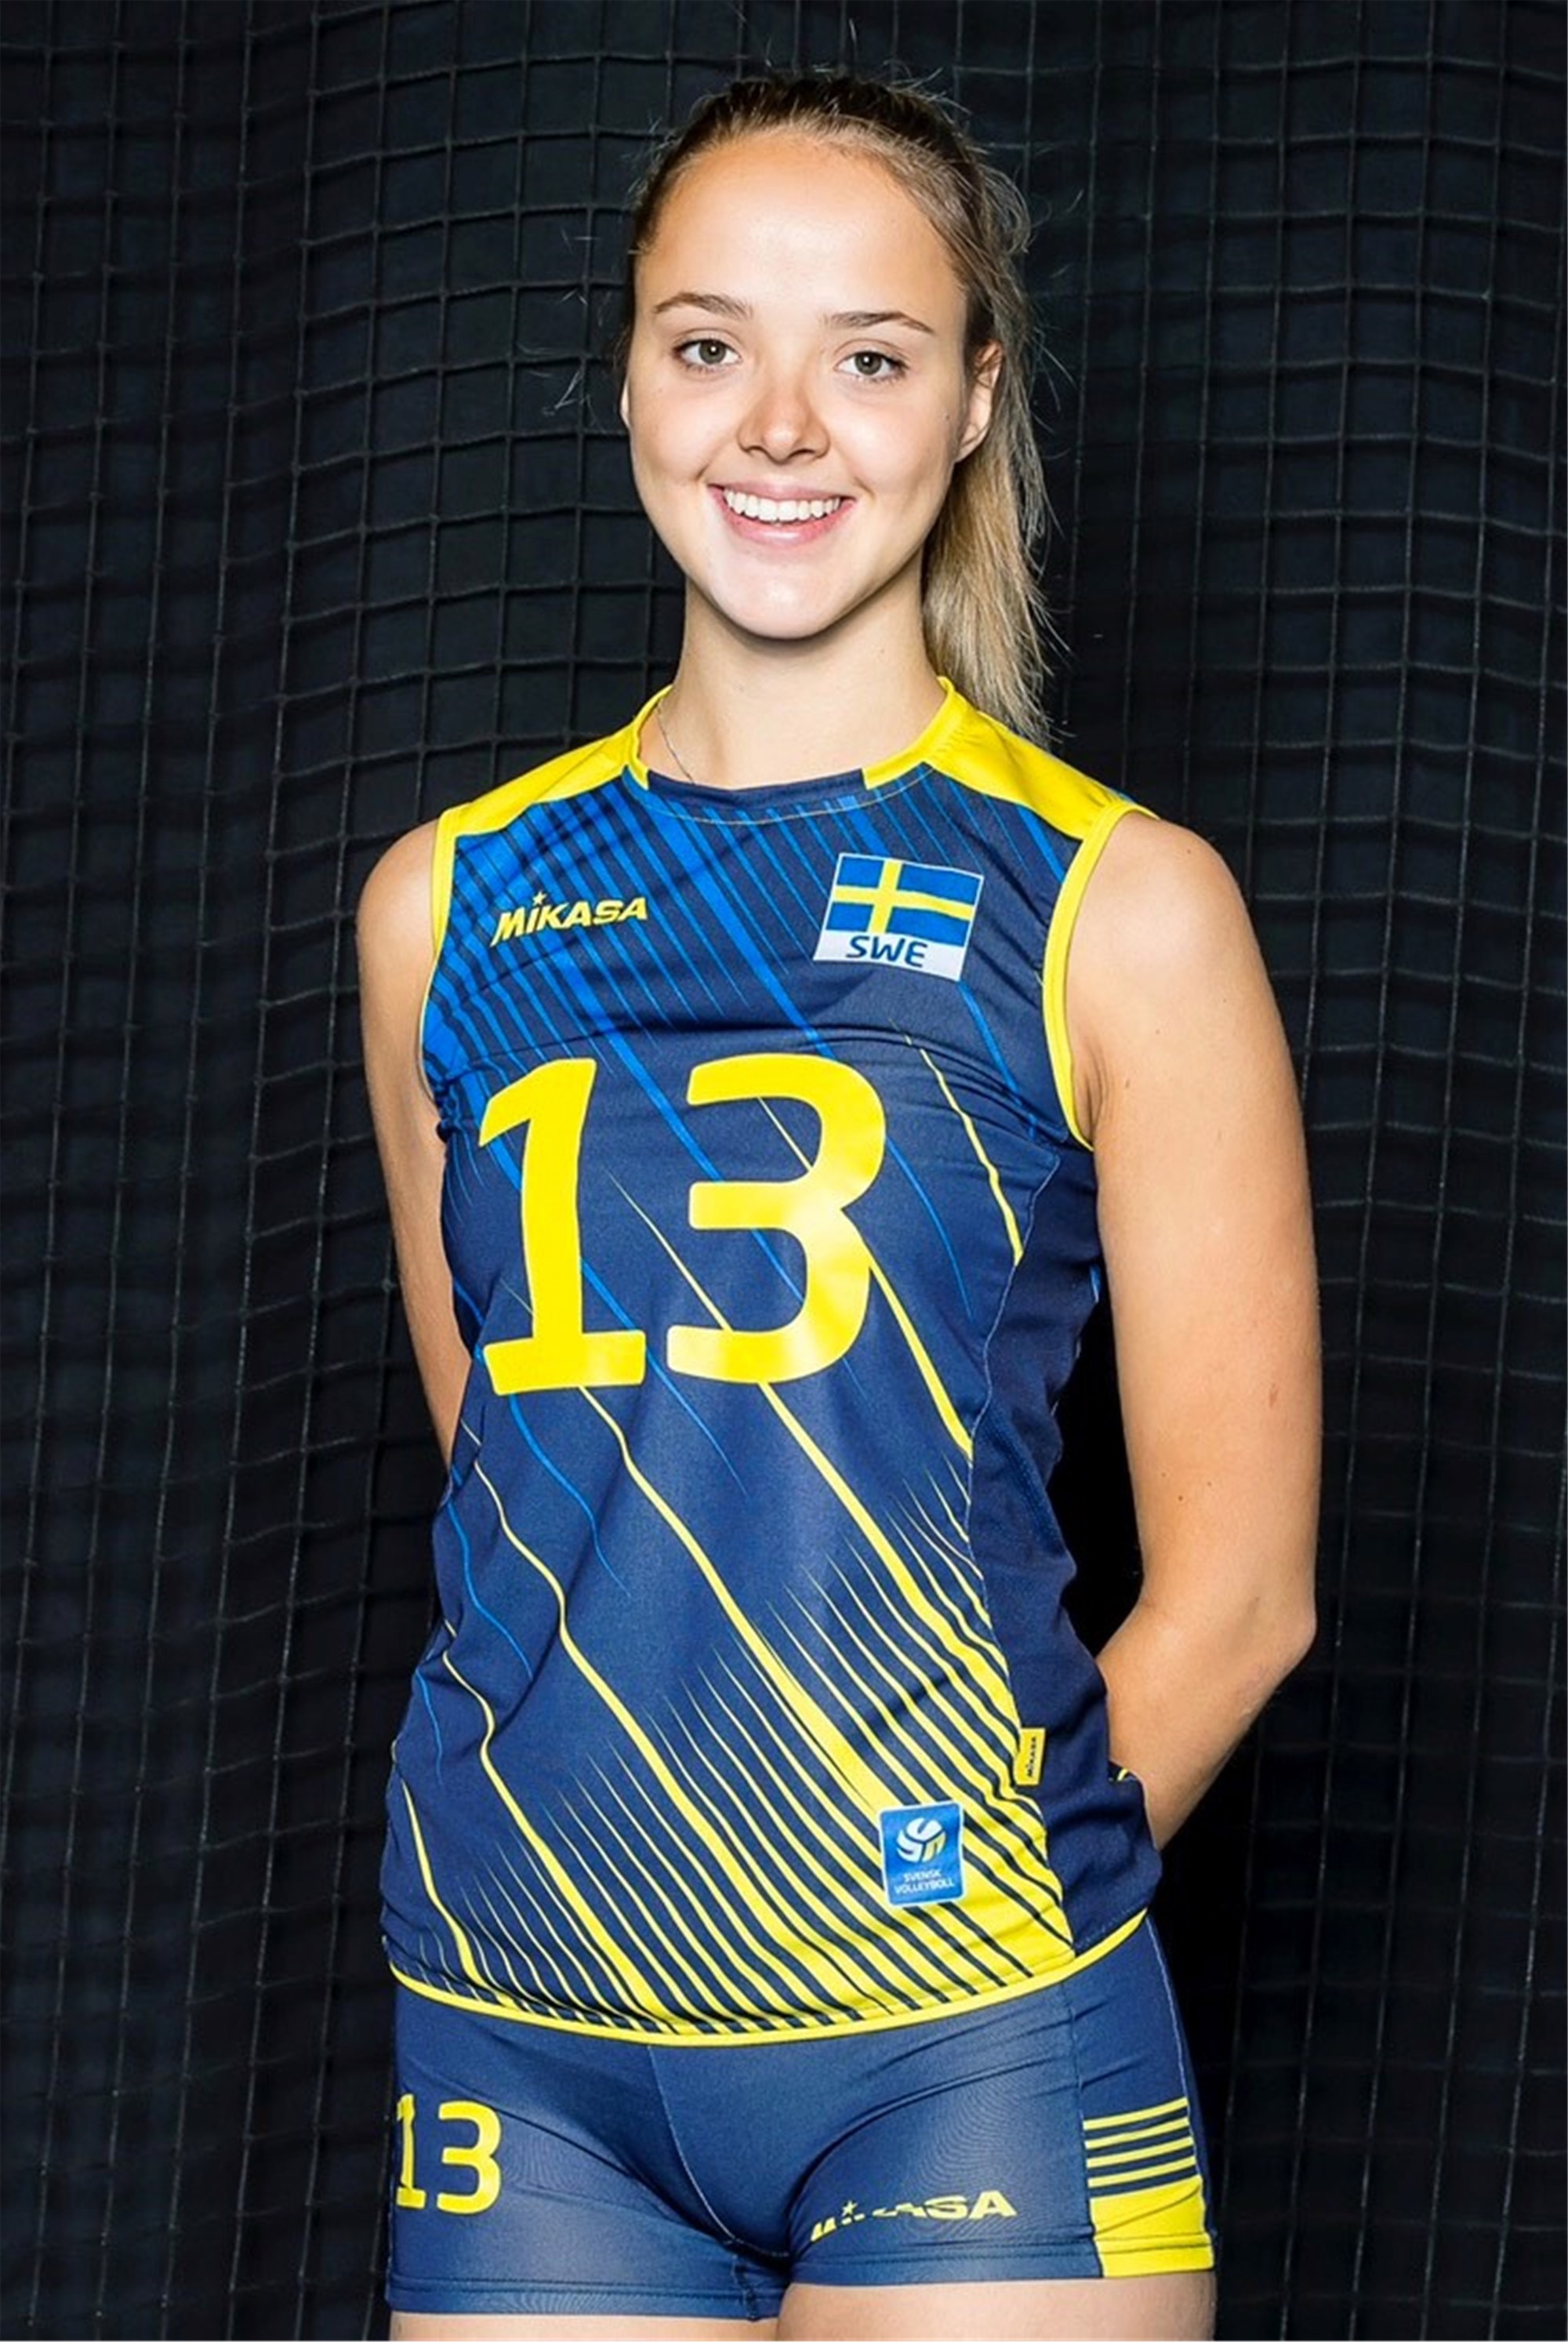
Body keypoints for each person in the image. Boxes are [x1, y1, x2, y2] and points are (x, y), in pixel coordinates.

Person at [357, 69, 1319, 2342]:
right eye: (710, 345)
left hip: (959, 2036)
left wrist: (943, 1914)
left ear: (973, 403)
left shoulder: (1116, 904)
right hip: (518, 2012)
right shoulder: (444, 906)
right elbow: (518, 1465)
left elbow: (1245, 1598)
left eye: (868, 356)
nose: (779, 425)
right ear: (627, 379)